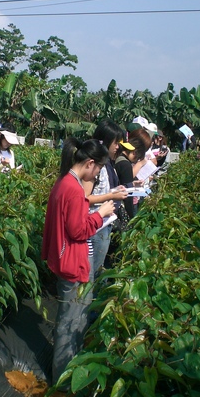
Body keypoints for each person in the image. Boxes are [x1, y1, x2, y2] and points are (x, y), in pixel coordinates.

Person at [42, 138, 115, 385]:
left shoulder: (64, 182)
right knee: (70, 321)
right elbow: (77, 231)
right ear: (90, 163)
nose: (96, 175)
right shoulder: (73, 189)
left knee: (72, 317)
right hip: (73, 263)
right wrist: (100, 215)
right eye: (98, 169)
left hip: (66, 259)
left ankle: (66, 372)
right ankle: (62, 380)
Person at [83, 120, 129, 282]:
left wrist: (121, 190)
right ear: (105, 140)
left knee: (97, 271)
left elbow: (103, 189)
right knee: (92, 275)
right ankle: (86, 306)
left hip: (104, 223)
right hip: (96, 226)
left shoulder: (108, 163)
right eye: (116, 143)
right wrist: (111, 197)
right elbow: (84, 199)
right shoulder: (94, 164)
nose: (118, 147)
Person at [115, 129, 150, 219]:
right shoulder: (126, 165)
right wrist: (130, 215)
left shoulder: (118, 158)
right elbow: (128, 192)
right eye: (137, 158)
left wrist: (133, 184)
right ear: (134, 153)